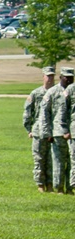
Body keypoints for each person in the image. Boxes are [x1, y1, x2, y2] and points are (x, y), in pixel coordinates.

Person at [40, 66, 72, 194]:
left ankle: (70, 187)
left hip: (73, 133)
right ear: (61, 77)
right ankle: (59, 188)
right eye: (66, 77)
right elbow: (45, 113)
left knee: (72, 162)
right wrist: (47, 132)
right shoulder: (52, 92)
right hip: (57, 132)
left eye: (71, 77)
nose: (69, 80)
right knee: (58, 162)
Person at [24, 66, 56, 192]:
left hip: (54, 131)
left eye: (52, 76)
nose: (50, 78)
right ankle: (40, 184)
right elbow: (28, 112)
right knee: (39, 158)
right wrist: (29, 129)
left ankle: (50, 183)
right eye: (48, 76)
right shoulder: (36, 93)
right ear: (43, 76)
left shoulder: (57, 92)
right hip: (38, 131)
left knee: (52, 159)